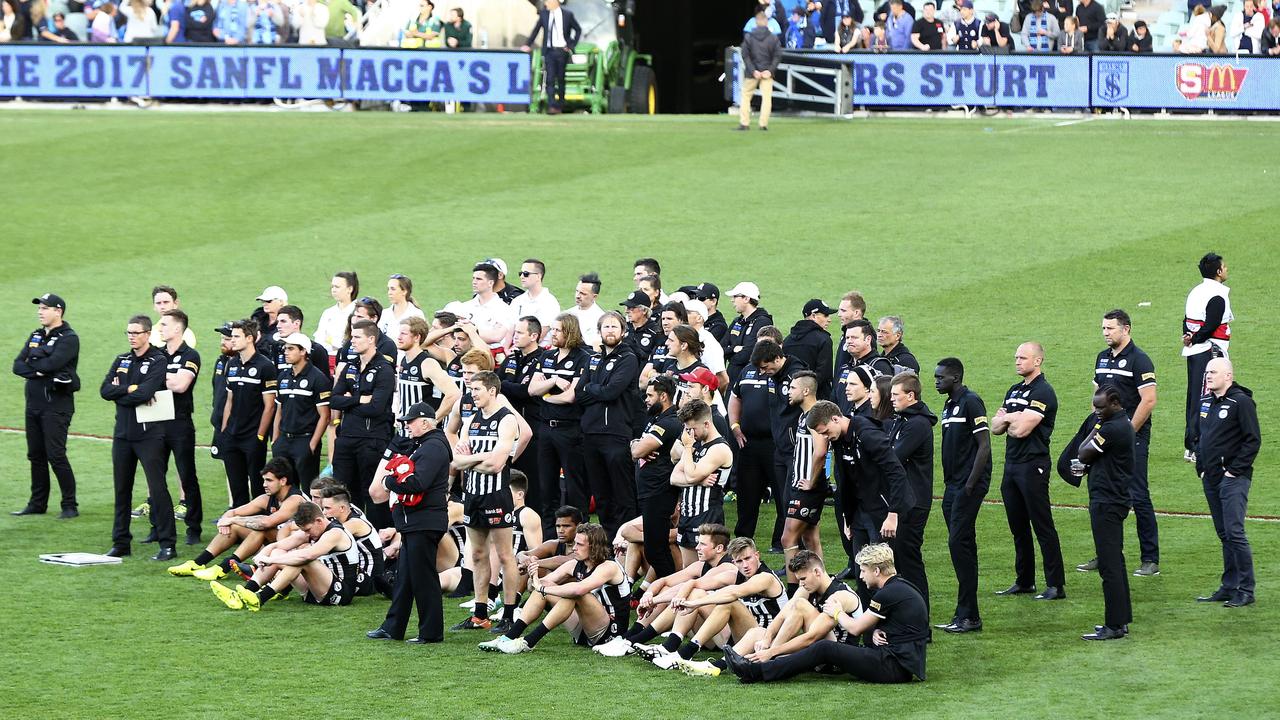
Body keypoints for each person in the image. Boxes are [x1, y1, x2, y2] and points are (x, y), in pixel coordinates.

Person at [721, 544, 928, 685]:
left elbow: (855, 627)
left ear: (876, 571)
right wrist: (877, 630)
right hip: (896, 661)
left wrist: (838, 612)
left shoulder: (887, 592)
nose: (861, 576)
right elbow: (900, 623)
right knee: (818, 645)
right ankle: (748, 663)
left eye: (863, 571)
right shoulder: (899, 587)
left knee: (824, 647)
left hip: (893, 666)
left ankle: (757, 670)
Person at [1077, 310, 1159, 577]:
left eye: (1110, 328)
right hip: (1103, 437)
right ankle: (1106, 553)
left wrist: (1127, 432)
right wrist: (1094, 430)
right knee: (1102, 493)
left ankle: (1150, 558)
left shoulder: (1139, 360)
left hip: (1131, 438)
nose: (1105, 333)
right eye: (1103, 328)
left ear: (1126, 329)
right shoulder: (1101, 358)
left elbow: (1148, 400)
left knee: (1137, 493)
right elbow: (1097, 396)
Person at [365, 402, 451, 643]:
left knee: (424, 579)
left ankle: (431, 632)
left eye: (410, 421)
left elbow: (417, 483)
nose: (406, 425)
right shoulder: (427, 445)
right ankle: (393, 627)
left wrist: (389, 481)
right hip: (416, 523)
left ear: (425, 422)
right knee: (405, 578)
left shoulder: (432, 447)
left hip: (423, 522)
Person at [480, 522, 630, 653]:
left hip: (610, 633)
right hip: (585, 630)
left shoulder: (609, 567)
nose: (574, 548)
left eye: (579, 545)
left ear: (594, 547)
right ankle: (507, 638)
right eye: (575, 543)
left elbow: (578, 590)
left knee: (575, 593)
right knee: (545, 590)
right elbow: (536, 587)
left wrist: (543, 588)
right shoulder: (575, 564)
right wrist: (535, 577)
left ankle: (528, 641)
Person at [990, 342, 1064, 601]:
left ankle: (1056, 585)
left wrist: (1010, 417)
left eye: (1023, 357)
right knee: (1018, 526)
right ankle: (1025, 581)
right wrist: (1014, 416)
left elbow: (1021, 430)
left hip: (1034, 465)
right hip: (1012, 465)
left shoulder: (1044, 391)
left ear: (1038, 361)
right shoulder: (1014, 390)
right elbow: (996, 427)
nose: (1017, 361)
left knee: (1042, 525)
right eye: (1016, 357)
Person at [450, 371, 522, 631]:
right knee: (478, 554)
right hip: (473, 496)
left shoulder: (507, 420)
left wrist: (472, 460)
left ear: (492, 391)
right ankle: (480, 614)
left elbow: (496, 465)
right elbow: (456, 462)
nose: (473, 394)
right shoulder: (471, 420)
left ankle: (509, 613)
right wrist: (479, 459)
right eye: (471, 389)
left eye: (477, 389)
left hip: (497, 495)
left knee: (504, 555)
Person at [101, 315, 175, 561]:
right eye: (129, 332)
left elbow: (146, 392)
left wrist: (123, 391)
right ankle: (121, 541)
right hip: (122, 435)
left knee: (157, 488)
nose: (132, 336)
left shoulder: (158, 360)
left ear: (147, 334)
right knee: (122, 489)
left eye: (136, 332)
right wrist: (130, 390)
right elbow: (104, 390)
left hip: (148, 435)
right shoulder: (121, 359)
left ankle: (167, 544)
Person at [168, 457, 305, 579]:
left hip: (300, 549)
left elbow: (266, 522)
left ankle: (223, 568)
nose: (264, 485)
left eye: (269, 480)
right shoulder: (267, 498)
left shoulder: (295, 499)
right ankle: (197, 564)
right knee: (234, 527)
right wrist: (225, 521)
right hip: (278, 545)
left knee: (261, 529)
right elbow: (232, 513)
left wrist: (233, 519)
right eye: (264, 480)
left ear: (283, 481)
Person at [1193, 358, 1260, 608]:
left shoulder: (1241, 402)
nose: (1208, 376)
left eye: (1213, 372)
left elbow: (1253, 440)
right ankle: (1229, 585)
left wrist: (1234, 471)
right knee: (1224, 534)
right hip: (1210, 478)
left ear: (1228, 376)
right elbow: (1199, 436)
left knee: (1234, 532)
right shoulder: (1205, 402)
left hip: (1233, 479)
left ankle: (1246, 589)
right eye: (1207, 372)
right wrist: (1201, 466)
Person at [669, 537, 789, 676]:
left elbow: (733, 593)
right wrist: (657, 599)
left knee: (730, 603)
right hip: (741, 638)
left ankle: (709, 661)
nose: (745, 565)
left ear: (757, 555)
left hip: (769, 640)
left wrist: (694, 605)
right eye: (739, 561)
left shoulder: (766, 577)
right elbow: (694, 583)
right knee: (696, 594)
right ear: (733, 562)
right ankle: (673, 646)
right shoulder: (735, 576)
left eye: (748, 558)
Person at [210, 501, 359, 611]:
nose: (307, 534)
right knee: (278, 552)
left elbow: (307, 555)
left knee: (303, 559)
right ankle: (242, 595)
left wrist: (270, 560)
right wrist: (263, 555)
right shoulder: (314, 529)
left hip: (340, 594)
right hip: (317, 590)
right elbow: (276, 545)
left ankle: (260, 598)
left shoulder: (335, 533)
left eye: (307, 530)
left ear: (319, 521)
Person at [1071, 386, 1135, 640]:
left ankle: (1114, 625)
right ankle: (1121, 620)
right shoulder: (1119, 423)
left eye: (1100, 407)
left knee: (1109, 566)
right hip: (1113, 499)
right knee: (1115, 562)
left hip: (1107, 501)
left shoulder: (1111, 428)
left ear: (1115, 403)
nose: (1096, 411)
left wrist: (1096, 428)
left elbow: (1083, 451)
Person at [933, 358, 990, 634]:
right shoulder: (949, 404)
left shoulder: (971, 401)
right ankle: (966, 614)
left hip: (967, 486)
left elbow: (984, 445)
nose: (935, 382)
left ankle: (969, 616)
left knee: (959, 544)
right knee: (962, 546)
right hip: (953, 485)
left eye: (940, 378)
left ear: (955, 378)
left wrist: (970, 485)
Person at [12, 293, 80, 519]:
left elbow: (53, 363)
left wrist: (36, 360)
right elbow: (17, 365)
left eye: (44, 308)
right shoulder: (36, 335)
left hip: (56, 406)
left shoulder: (69, 338)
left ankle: (69, 505)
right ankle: (37, 503)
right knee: (36, 455)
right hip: (33, 404)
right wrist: (39, 366)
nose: (40, 311)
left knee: (56, 455)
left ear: (58, 311)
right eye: (39, 308)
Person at [579, 311, 641, 538]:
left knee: (622, 492)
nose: (610, 330)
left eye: (615, 327)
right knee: (601, 493)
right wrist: (598, 390)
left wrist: (593, 389)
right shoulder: (592, 358)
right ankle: (606, 540)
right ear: (600, 331)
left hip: (616, 434)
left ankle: (627, 540)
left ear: (623, 332)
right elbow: (579, 393)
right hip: (591, 434)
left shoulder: (628, 358)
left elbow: (612, 392)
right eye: (606, 327)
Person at [330, 320, 395, 527]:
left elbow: (376, 408)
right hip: (347, 438)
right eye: (352, 337)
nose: (352, 341)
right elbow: (334, 399)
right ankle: (350, 534)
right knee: (344, 493)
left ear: (371, 339)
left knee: (371, 492)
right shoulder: (351, 366)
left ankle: (377, 537)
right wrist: (359, 399)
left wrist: (348, 401)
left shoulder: (384, 370)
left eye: (357, 337)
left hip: (372, 440)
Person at [886, 371, 936, 624]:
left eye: (895, 395)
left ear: (911, 396)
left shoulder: (916, 424)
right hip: (908, 499)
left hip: (913, 503)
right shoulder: (905, 420)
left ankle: (920, 621)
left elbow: (893, 456)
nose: (891, 399)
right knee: (902, 560)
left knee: (909, 561)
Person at [530, 313, 591, 517]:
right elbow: (532, 389)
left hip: (569, 430)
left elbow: (570, 397)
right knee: (547, 487)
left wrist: (545, 397)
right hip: (546, 428)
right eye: (553, 329)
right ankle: (549, 536)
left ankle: (579, 533)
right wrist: (554, 380)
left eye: (557, 330)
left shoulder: (583, 358)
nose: (553, 333)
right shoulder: (546, 356)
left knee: (575, 487)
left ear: (570, 332)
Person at [754, 340, 807, 553]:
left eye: (766, 367)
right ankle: (794, 557)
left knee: (795, 506)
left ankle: (801, 557)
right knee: (785, 504)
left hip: (795, 450)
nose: (763, 372)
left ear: (778, 358)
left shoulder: (797, 375)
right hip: (780, 447)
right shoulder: (774, 375)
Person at [155, 310, 203, 546]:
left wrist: (157, 378)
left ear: (177, 329)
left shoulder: (190, 355)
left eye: (164, 324)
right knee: (156, 476)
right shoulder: (157, 354)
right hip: (156, 422)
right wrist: (165, 378)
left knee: (187, 475)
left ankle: (193, 527)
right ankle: (158, 527)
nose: (159, 327)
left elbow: (181, 385)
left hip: (180, 423)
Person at [219, 319, 277, 510]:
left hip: (252, 437)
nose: (232, 340)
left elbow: (269, 406)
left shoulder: (265, 366)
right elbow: (229, 400)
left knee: (258, 488)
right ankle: (239, 530)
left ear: (249, 338)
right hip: (232, 436)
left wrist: (260, 435)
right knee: (237, 487)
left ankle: (260, 532)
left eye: (236, 336)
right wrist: (224, 431)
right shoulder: (232, 364)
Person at [727, 328, 776, 543]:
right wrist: (735, 425)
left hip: (775, 445)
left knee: (783, 497)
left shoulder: (783, 372)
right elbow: (735, 397)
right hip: (748, 442)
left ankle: (781, 542)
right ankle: (743, 538)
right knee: (747, 494)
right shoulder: (747, 370)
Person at [672, 400, 735, 567]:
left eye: (692, 429)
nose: (689, 434)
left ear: (706, 423)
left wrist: (686, 449)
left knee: (710, 570)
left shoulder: (719, 448)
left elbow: (690, 476)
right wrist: (700, 479)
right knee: (689, 571)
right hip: (687, 515)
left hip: (707, 515)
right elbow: (674, 478)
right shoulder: (696, 444)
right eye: (687, 430)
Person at [779, 372, 827, 592]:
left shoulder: (815, 415)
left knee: (788, 538)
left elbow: (820, 452)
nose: (788, 392)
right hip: (802, 487)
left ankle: (793, 591)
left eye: (792, 388)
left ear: (806, 391)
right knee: (810, 538)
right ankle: (823, 587)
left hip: (807, 489)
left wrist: (812, 482)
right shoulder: (803, 415)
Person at [1183, 252, 1232, 462]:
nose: (1227, 269)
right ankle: (1197, 446)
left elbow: (1186, 320)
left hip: (1196, 352)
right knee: (1205, 398)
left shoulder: (1196, 291)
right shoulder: (1217, 295)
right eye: (1225, 267)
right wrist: (1195, 339)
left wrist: (1188, 337)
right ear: (1218, 272)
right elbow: (1211, 325)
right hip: (1209, 352)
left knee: (1195, 397)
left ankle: (1192, 445)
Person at [633, 376, 683, 580]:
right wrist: (635, 444)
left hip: (659, 493)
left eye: (650, 395)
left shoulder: (669, 423)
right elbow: (636, 447)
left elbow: (637, 452)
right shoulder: (656, 420)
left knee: (656, 550)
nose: (645, 399)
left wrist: (637, 447)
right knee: (656, 549)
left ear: (663, 396)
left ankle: (670, 588)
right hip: (650, 492)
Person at [271, 332, 332, 493]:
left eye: (291, 349)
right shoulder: (283, 377)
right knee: (283, 489)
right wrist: (276, 439)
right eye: (285, 348)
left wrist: (312, 444)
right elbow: (279, 410)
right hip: (283, 441)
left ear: (303, 351)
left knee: (307, 489)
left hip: (304, 441)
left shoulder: (318, 379)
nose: (286, 352)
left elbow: (325, 416)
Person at [522, 0, 581, 115]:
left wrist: (571, 45)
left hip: (562, 51)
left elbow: (578, 29)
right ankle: (552, 105)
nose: (546, 4)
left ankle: (561, 104)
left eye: (548, 1)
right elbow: (536, 30)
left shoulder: (567, 15)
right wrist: (528, 44)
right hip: (549, 51)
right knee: (549, 79)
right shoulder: (544, 15)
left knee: (560, 79)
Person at [722, 282, 773, 386]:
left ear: (746, 299)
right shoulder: (737, 321)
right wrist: (734, 349)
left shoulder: (762, 322)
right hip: (731, 379)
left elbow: (747, 354)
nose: (732, 300)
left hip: (749, 381)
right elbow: (720, 348)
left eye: (735, 297)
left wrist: (730, 353)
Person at [783, 299, 835, 399]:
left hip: (791, 397)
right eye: (825, 315)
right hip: (816, 398)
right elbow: (824, 374)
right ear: (814, 315)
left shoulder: (788, 340)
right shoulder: (824, 339)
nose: (829, 319)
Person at [738, 11, 781, 131]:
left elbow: (745, 55)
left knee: (746, 96)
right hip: (767, 73)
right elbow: (777, 55)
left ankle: (744, 123)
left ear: (756, 22)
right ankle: (763, 125)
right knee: (767, 98)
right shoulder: (773, 38)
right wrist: (769, 70)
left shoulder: (749, 37)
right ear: (766, 22)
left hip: (752, 73)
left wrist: (753, 71)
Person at [510, 259, 561, 340]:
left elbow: (540, 334)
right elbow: (511, 328)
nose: (522, 276)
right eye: (520, 273)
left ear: (538, 276)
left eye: (526, 274)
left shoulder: (549, 302)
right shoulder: (517, 301)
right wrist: (506, 348)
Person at [316, 272, 359, 365]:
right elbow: (319, 340)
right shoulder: (328, 313)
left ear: (350, 289)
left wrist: (331, 341)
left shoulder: (358, 312)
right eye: (332, 287)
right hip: (326, 360)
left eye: (337, 287)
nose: (333, 290)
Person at [566, 273, 606, 349]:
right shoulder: (568, 314)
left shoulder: (600, 318)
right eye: (577, 291)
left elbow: (596, 347)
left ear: (594, 297)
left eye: (583, 294)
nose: (577, 296)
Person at [379, 274, 425, 338]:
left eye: (393, 289)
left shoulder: (416, 314)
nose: (389, 292)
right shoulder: (385, 313)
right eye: (388, 289)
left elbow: (421, 340)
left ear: (404, 291)